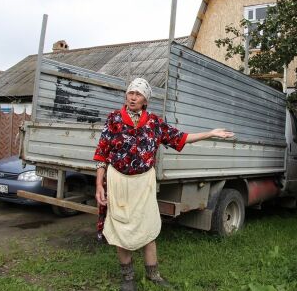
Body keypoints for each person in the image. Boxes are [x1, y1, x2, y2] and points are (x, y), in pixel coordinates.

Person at [93, 78, 234, 291]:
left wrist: (210, 133)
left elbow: (181, 137)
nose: (133, 97)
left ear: (145, 99)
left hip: (144, 184)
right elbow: (102, 152)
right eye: (130, 92)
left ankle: (154, 275)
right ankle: (128, 278)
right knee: (122, 228)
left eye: (138, 94)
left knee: (148, 228)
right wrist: (99, 185)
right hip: (118, 181)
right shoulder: (113, 119)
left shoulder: (154, 123)